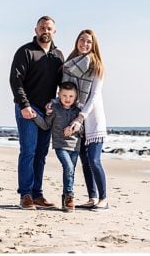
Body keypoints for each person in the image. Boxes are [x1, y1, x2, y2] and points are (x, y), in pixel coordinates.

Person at [9, 16, 65, 209]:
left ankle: (37, 194)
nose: (45, 31)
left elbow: (62, 85)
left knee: (41, 153)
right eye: (42, 28)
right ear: (36, 30)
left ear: (54, 31)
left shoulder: (58, 56)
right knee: (28, 151)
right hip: (28, 109)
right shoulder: (25, 51)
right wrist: (24, 105)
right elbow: (15, 80)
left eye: (49, 28)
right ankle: (25, 195)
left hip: (47, 111)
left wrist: (57, 104)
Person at [62, 29, 109, 211]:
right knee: (85, 161)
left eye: (89, 41)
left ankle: (104, 199)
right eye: (82, 40)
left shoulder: (97, 66)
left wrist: (81, 118)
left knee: (94, 160)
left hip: (92, 119)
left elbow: (94, 96)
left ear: (93, 45)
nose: (85, 44)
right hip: (76, 118)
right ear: (77, 42)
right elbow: (65, 91)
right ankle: (92, 197)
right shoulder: (69, 64)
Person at [35, 82, 84, 212]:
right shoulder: (54, 109)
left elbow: (82, 130)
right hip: (60, 146)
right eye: (64, 95)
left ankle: (65, 199)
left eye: (71, 96)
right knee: (68, 167)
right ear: (59, 95)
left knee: (70, 172)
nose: (67, 99)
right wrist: (35, 116)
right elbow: (45, 125)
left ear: (75, 96)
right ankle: (70, 195)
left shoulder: (78, 112)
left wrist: (73, 129)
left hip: (75, 147)